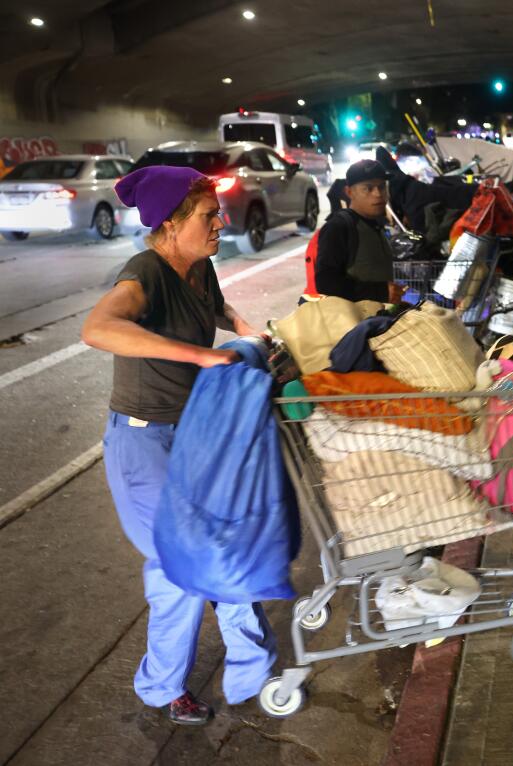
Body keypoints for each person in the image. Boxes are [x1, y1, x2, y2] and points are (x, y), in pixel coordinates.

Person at [81, 166, 276, 725]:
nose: (221, 223)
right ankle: (162, 686)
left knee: (227, 547)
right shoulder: (144, 272)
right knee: (182, 572)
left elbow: (213, 309)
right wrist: (199, 356)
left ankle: (252, 665)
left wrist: (243, 328)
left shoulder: (198, 265)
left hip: (192, 432)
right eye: (208, 216)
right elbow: (97, 328)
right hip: (142, 445)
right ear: (169, 224)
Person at [313, 159, 401, 302]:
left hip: (380, 320)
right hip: (356, 322)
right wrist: (379, 292)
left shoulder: (375, 223)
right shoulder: (338, 227)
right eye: (368, 188)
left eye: (382, 187)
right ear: (349, 192)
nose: (378, 194)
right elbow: (326, 283)